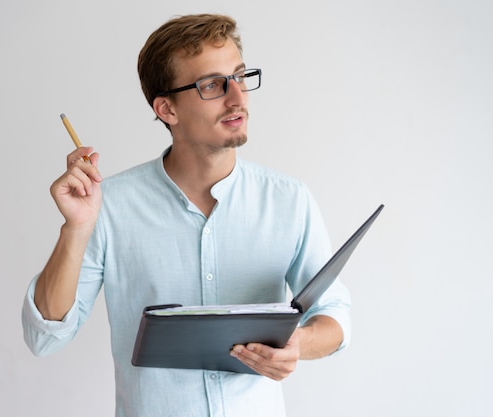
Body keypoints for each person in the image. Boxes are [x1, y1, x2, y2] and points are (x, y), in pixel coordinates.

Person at [22, 13, 351, 417]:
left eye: (240, 76)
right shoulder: (110, 206)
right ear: (167, 109)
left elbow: (334, 315)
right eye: (212, 84)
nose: (238, 98)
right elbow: (45, 338)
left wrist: (298, 345)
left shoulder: (289, 200)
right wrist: (76, 228)